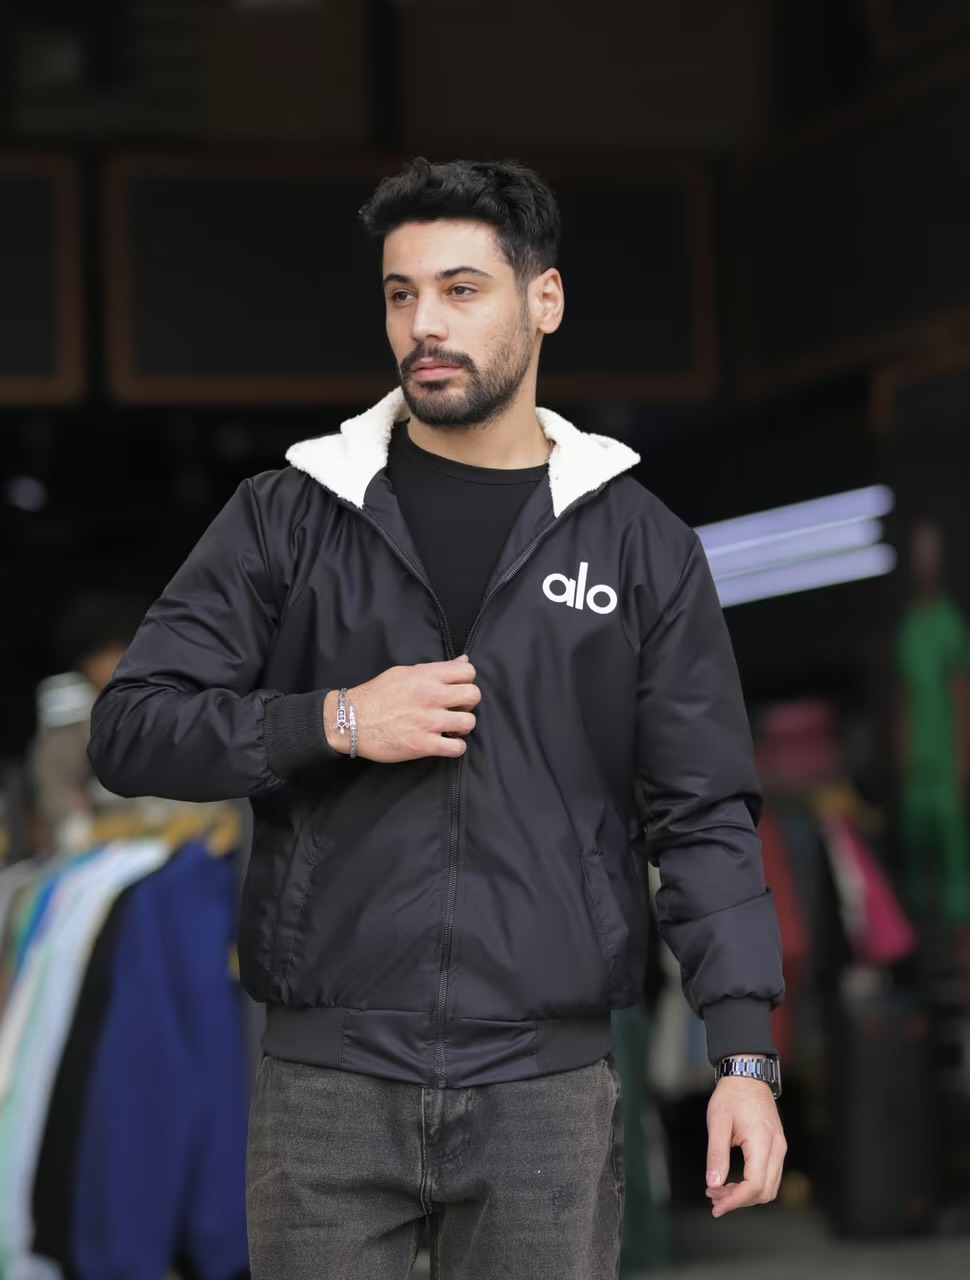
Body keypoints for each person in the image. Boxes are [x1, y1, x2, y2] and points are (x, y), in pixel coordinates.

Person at [88, 159, 786, 1280]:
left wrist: (743, 1058)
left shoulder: (640, 544)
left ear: (543, 300)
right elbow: (129, 729)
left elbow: (702, 813)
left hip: (546, 1089)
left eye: (461, 290)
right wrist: (333, 720)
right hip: (327, 1083)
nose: (424, 324)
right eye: (401, 293)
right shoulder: (290, 514)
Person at [29, 594, 140, 853]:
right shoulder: (71, 729)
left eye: (123, 650)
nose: (117, 662)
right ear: (86, 664)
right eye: (105, 655)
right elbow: (61, 802)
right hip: (107, 848)